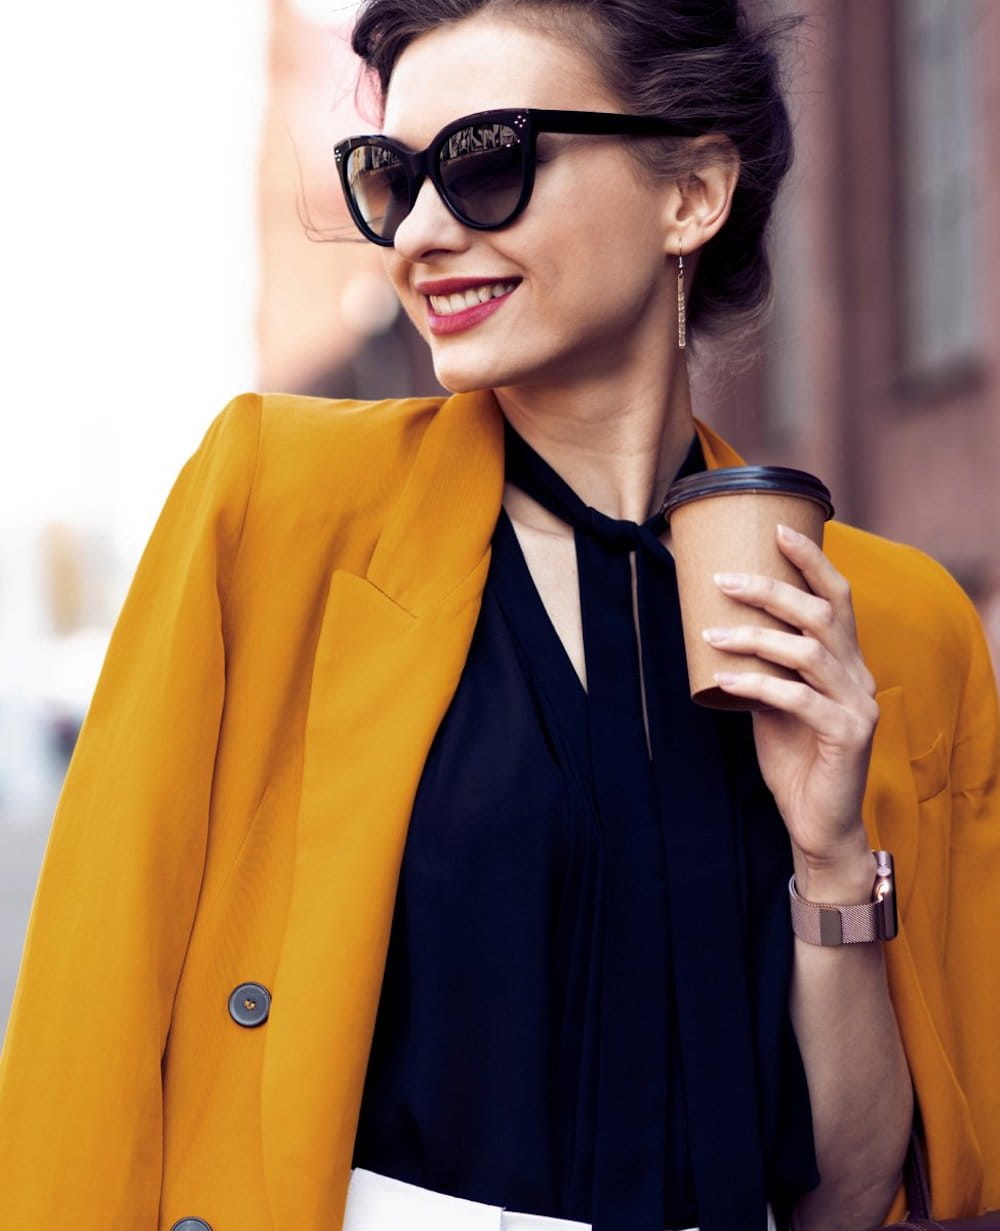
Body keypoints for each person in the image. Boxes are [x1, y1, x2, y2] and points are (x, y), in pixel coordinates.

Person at [0, 2, 997, 1229]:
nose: (417, 233)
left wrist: (833, 853)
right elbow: (85, 1041)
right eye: (392, 177)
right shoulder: (274, 508)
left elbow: (849, 1196)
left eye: (485, 164)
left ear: (689, 192)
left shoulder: (898, 630)